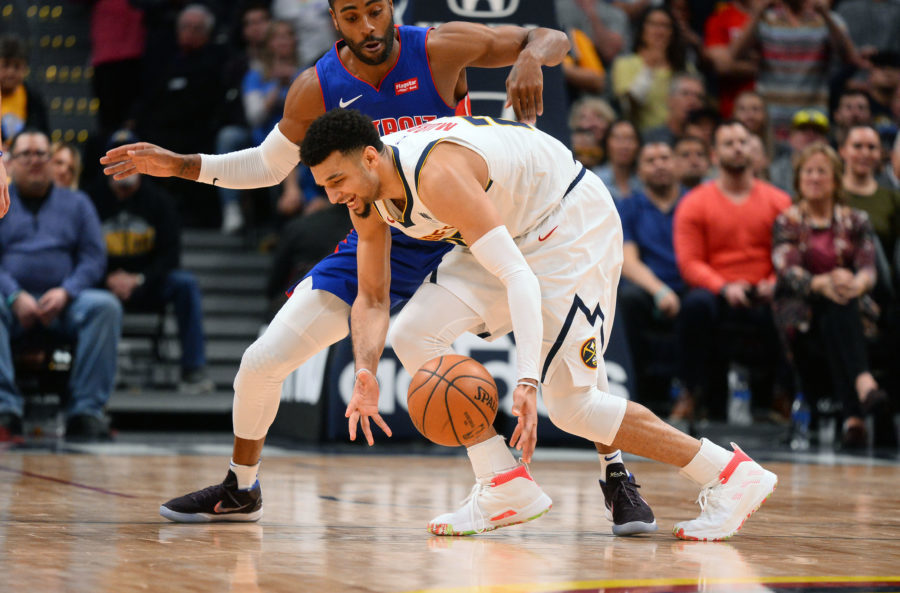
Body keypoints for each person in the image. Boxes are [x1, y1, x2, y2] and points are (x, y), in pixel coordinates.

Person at [102, 0, 652, 534]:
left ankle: (615, 470)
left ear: (391, 7)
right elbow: (268, 167)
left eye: (375, 11)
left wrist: (531, 56)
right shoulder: (315, 86)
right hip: (379, 235)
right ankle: (242, 488)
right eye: (351, 15)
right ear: (333, 19)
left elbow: (543, 36)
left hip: (461, 225)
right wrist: (182, 166)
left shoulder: (439, 48)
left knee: (566, 337)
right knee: (261, 361)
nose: (367, 26)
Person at [300, 108, 778, 541]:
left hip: (566, 222)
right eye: (323, 185)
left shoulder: (437, 175)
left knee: (572, 407)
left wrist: (527, 379)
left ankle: (732, 474)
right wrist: (366, 370)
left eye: (337, 179)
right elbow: (373, 296)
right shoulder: (364, 195)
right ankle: (504, 484)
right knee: (411, 334)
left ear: (368, 157)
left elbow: (518, 279)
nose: (333, 194)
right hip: (513, 227)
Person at [772, 142, 896, 450]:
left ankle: (853, 419)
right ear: (799, 180)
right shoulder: (787, 221)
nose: (815, 178)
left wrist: (855, 283)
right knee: (833, 303)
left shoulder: (856, 220)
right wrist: (823, 283)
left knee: (838, 307)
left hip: (849, 309)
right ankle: (862, 388)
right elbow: (787, 270)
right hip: (802, 313)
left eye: (822, 172)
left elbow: (869, 268)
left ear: (835, 180)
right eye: (809, 172)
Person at [0, 130, 122, 442]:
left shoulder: (78, 203)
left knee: (105, 307)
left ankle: (85, 411)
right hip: (9, 301)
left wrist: (67, 291)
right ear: (10, 163)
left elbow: (94, 258)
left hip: (65, 302)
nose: (34, 161)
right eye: (25, 154)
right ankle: (5, 409)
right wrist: (13, 293)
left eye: (41, 154)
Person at [671, 120, 791, 423]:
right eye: (729, 143)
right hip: (717, 293)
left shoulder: (779, 201)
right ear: (714, 155)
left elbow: (789, 257)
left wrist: (772, 283)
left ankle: (780, 396)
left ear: (755, 151)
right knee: (695, 305)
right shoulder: (694, 202)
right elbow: (690, 263)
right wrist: (724, 287)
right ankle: (691, 392)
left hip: (764, 291)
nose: (738, 148)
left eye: (743, 142)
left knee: (790, 304)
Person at [93, 130, 215, 395]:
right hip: (103, 284)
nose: (125, 165)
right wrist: (106, 278)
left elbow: (171, 256)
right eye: (118, 157)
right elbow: (83, 252)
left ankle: (193, 369)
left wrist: (139, 280)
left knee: (185, 284)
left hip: (148, 283)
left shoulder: (160, 201)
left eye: (131, 157)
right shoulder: (91, 199)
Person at [730, 0, 861, 142]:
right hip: (771, 117)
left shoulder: (827, 18)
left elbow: (849, 58)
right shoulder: (766, 18)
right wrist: (758, 12)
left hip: (812, 118)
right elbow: (736, 54)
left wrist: (825, 15)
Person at [616, 142, 686, 402]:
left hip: (689, 284)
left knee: (702, 304)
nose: (659, 164)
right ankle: (639, 395)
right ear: (639, 172)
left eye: (665, 157)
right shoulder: (629, 206)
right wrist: (660, 291)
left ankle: (695, 397)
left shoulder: (694, 201)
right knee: (628, 299)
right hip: (650, 289)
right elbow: (628, 260)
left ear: (677, 164)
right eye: (650, 160)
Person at [612, 6, 695, 132]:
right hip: (642, 135)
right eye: (653, 24)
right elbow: (627, 107)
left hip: (679, 134)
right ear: (642, 29)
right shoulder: (625, 64)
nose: (659, 31)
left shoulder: (685, 67)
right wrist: (649, 67)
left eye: (665, 26)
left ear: (673, 32)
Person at [840, 125, 900, 264]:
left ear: (880, 153)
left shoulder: (893, 199)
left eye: (872, 147)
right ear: (842, 151)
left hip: (883, 281)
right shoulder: (828, 196)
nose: (865, 153)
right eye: (857, 146)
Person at [769, 109, 830, 193]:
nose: (810, 135)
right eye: (804, 130)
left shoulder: (833, 172)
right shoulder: (775, 172)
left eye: (817, 131)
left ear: (825, 140)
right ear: (791, 137)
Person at [594, 120, 643, 202]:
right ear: (606, 143)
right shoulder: (595, 180)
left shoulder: (643, 180)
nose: (624, 145)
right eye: (618, 138)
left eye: (630, 139)